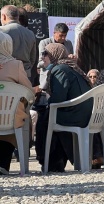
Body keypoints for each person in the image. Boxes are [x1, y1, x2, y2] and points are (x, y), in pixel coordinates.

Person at [35, 43, 93, 172]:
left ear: (54, 55)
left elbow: (58, 98)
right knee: (48, 115)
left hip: (74, 114)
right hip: (82, 112)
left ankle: (49, 161)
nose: (43, 58)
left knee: (44, 119)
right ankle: (55, 161)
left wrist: (46, 105)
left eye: (46, 54)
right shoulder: (70, 67)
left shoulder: (60, 69)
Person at [0, 32, 34, 175]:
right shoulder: (16, 65)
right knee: (17, 117)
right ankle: (3, 165)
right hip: (9, 119)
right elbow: (29, 92)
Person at [0, 5, 36, 79]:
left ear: (3, 16)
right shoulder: (30, 33)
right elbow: (33, 57)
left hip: (6, 74)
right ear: (18, 16)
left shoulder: (2, 31)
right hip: (25, 74)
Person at [38, 23, 75, 88]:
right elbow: (40, 63)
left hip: (64, 77)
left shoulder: (68, 43)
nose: (63, 38)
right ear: (54, 33)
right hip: (48, 78)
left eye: (65, 35)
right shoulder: (44, 43)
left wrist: (71, 58)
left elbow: (71, 62)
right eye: (61, 35)